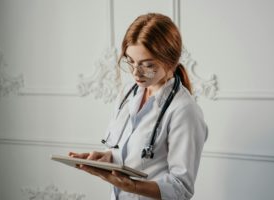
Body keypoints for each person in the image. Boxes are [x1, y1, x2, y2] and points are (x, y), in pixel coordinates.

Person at [69, 13, 208, 200]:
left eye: (147, 65)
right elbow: (131, 152)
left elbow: (181, 188)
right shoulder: (128, 93)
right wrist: (108, 158)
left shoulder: (184, 110)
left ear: (170, 61)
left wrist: (133, 186)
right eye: (131, 61)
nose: (135, 72)